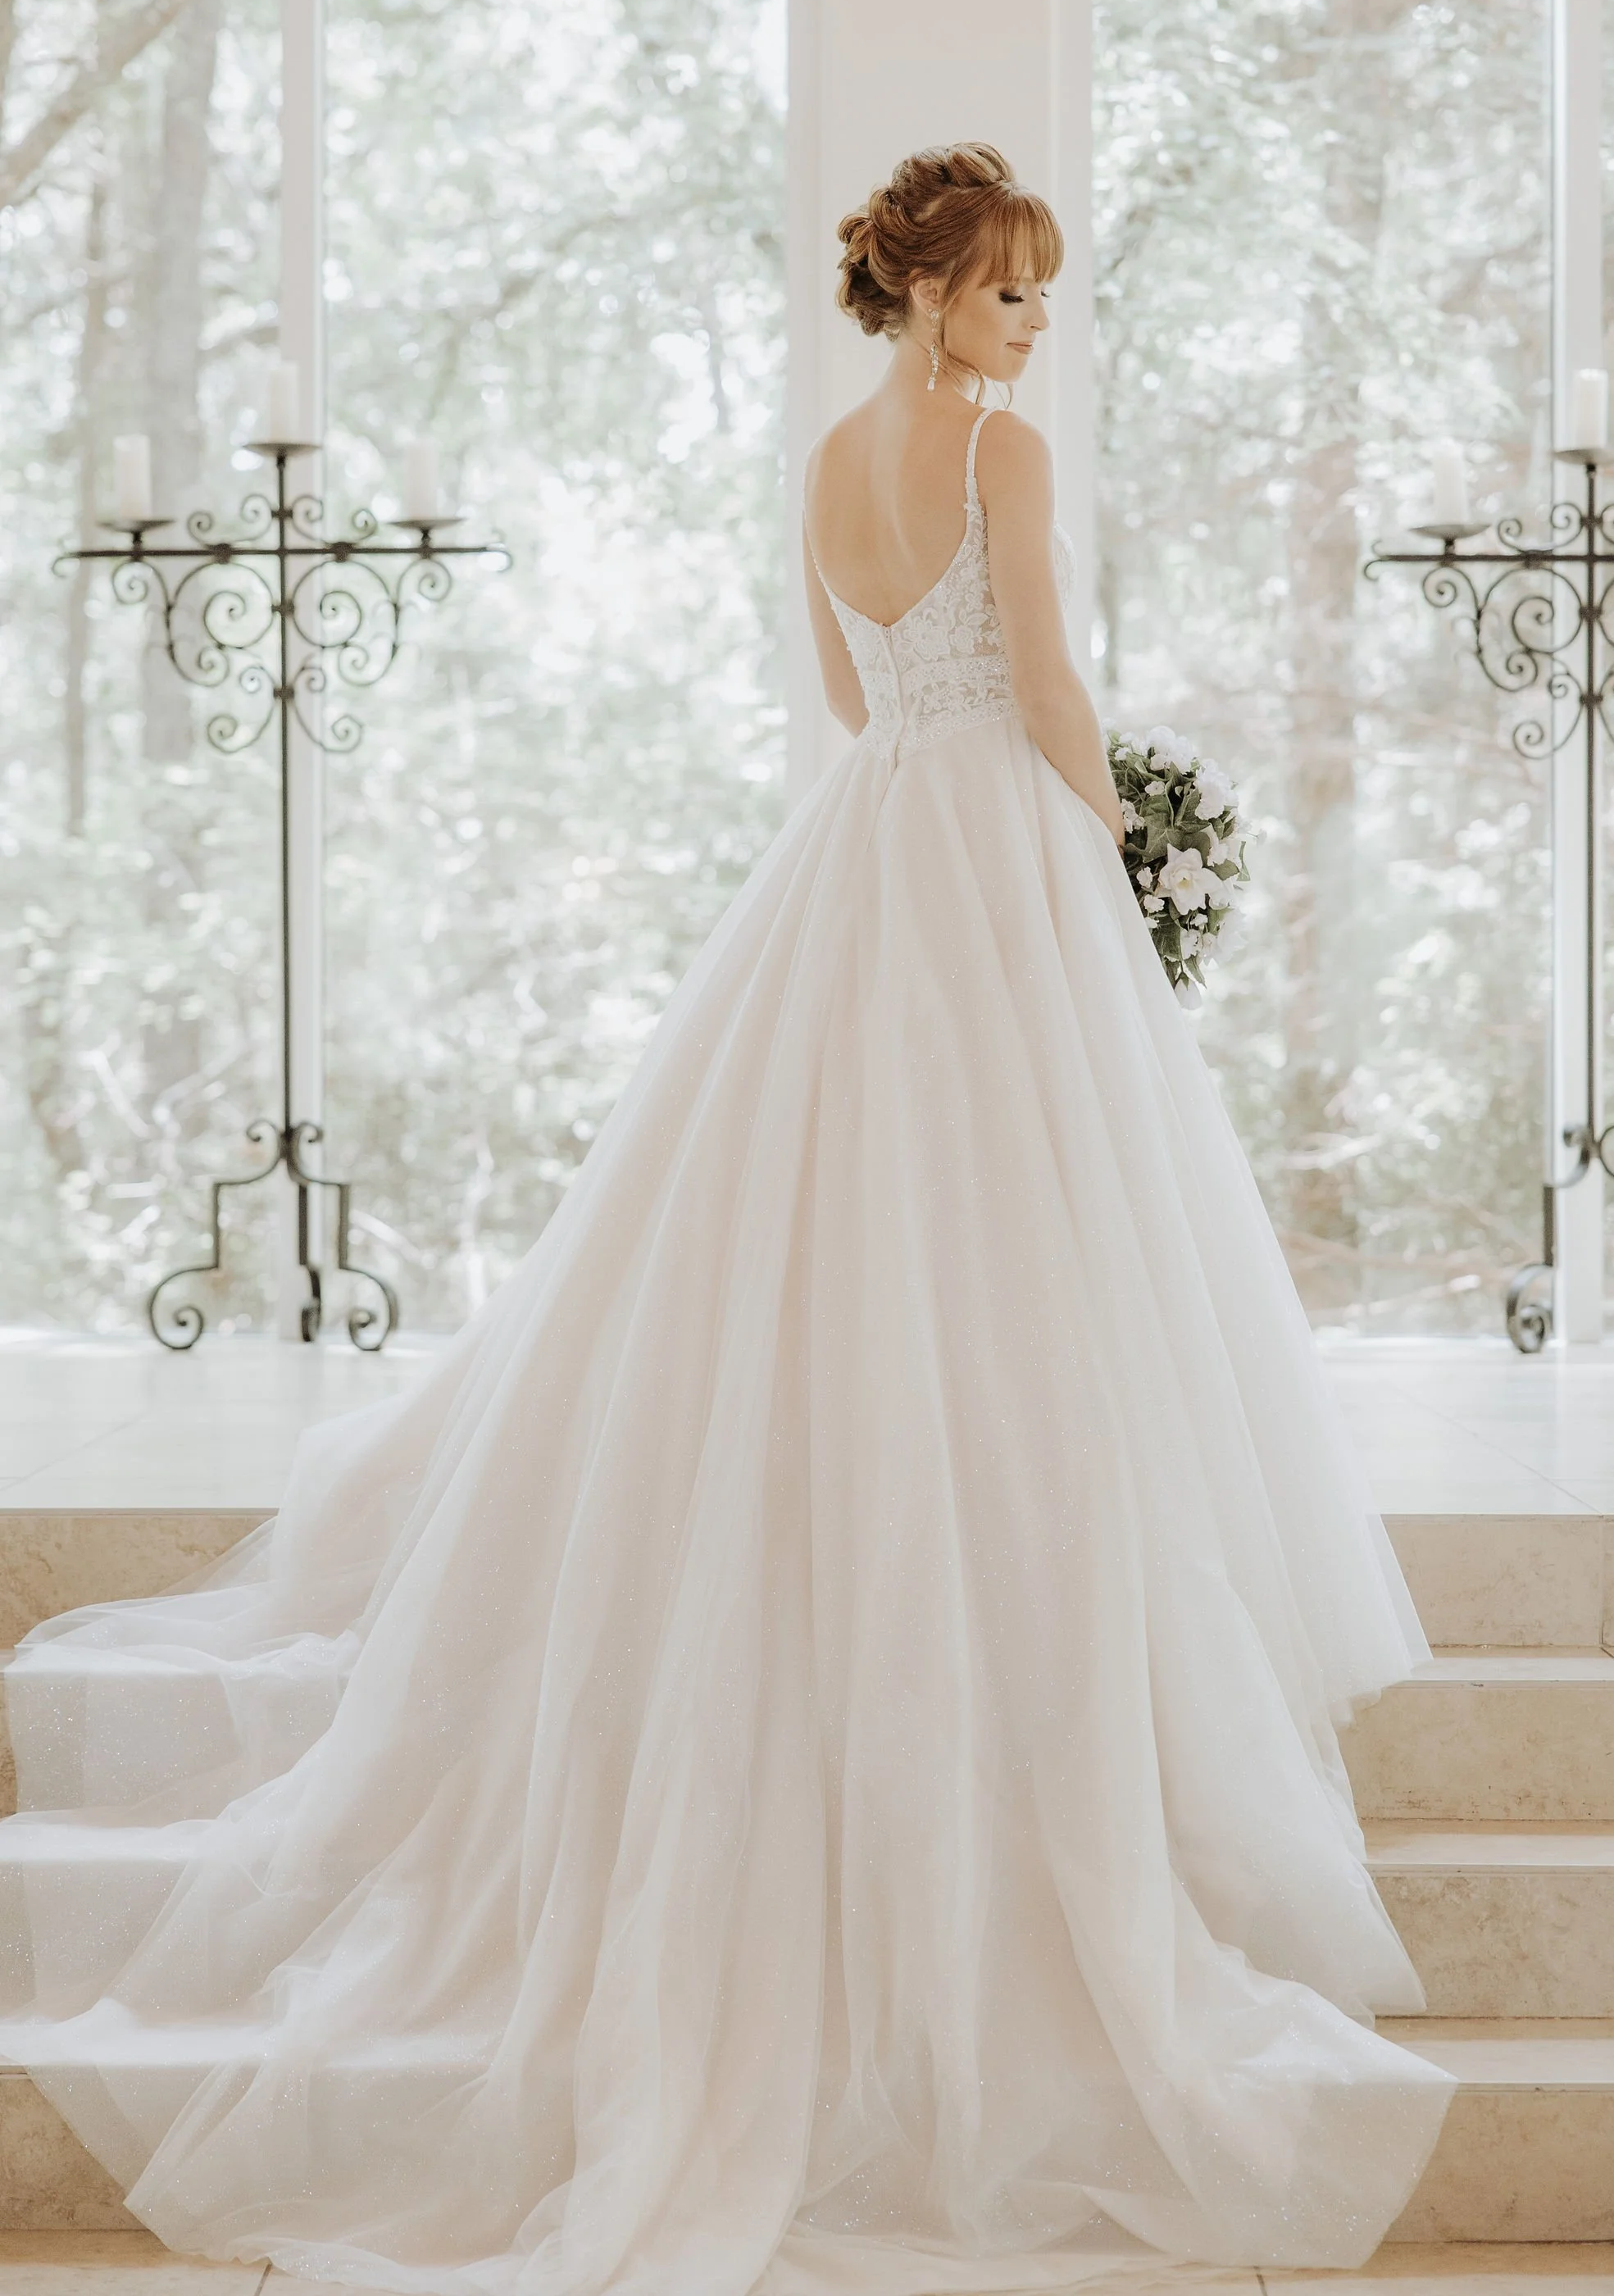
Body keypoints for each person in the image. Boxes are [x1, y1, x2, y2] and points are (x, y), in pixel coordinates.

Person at [0, 142, 1452, 2292]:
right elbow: (1047, 684)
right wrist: (1116, 858)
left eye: (1041, 299)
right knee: (1009, 1250)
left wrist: (971, 751)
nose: (1033, 329)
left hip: (865, 851)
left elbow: (858, 699)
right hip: (991, 857)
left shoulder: (829, 462)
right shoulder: (1001, 453)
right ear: (936, 293)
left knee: (838, 1232)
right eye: (1013, 293)